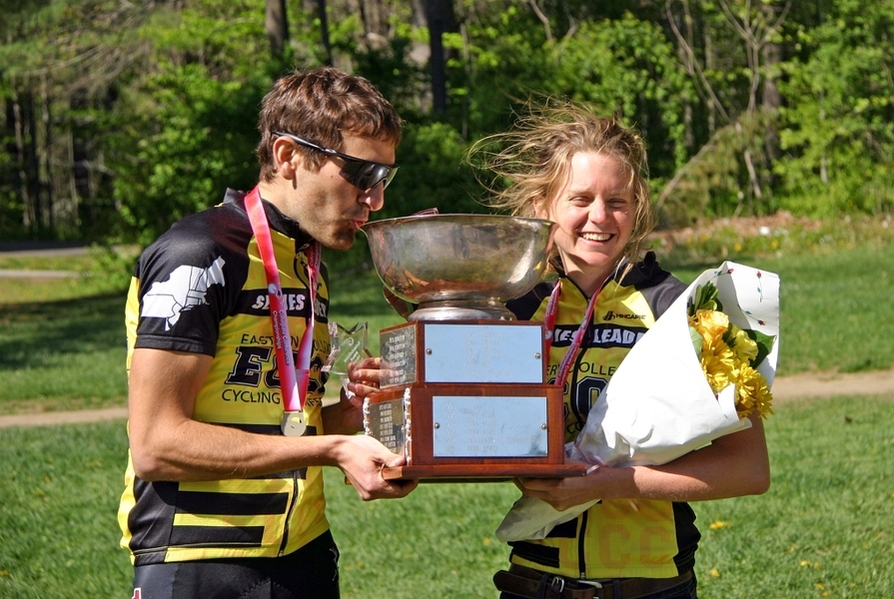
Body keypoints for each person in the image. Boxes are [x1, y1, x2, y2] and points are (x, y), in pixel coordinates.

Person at [118, 66, 417, 599]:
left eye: (384, 178)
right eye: (361, 175)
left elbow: (282, 424)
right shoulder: (199, 255)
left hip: (302, 554)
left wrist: (349, 416)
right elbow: (157, 443)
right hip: (200, 558)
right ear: (288, 156)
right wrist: (331, 449)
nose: (376, 200)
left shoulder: (307, 262)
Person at [470, 102, 771, 599]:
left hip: (652, 585)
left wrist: (610, 484)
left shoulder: (692, 309)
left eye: (618, 201)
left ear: (638, 208)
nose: (599, 217)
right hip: (534, 582)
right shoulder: (511, 311)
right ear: (545, 205)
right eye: (580, 199)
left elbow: (749, 469)